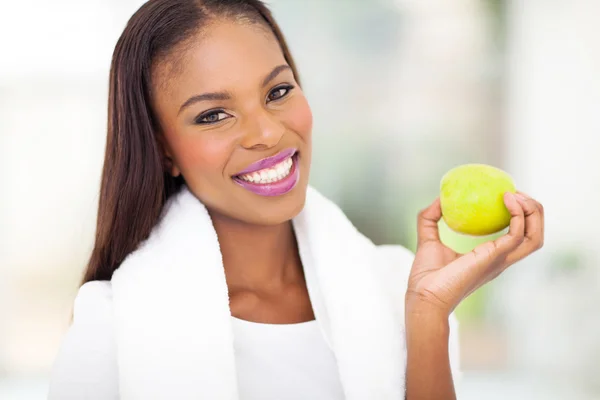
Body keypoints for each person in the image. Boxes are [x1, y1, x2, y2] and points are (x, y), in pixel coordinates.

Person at [48, 1, 545, 399]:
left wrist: (429, 316)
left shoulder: (398, 288)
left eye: (278, 90)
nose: (267, 132)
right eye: (213, 116)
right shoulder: (112, 329)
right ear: (161, 149)